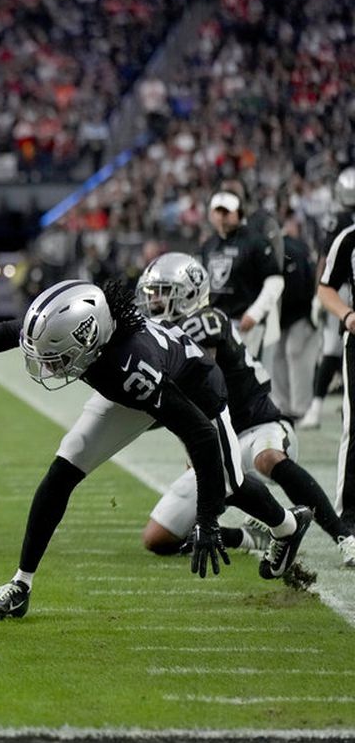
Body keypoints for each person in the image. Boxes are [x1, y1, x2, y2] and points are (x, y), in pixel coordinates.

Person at [0, 279, 310, 620]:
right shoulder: (86, 328)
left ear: (87, 338)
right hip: (133, 386)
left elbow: (199, 432)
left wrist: (207, 520)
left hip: (195, 390)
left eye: (57, 358)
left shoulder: (131, 367)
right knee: (62, 470)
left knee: (228, 483)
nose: (50, 367)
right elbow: (9, 332)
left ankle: (287, 527)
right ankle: (20, 584)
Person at [135, 253, 349, 565]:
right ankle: (248, 537)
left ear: (190, 294)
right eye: (152, 294)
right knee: (158, 538)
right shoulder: (162, 338)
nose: (154, 302)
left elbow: (201, 386)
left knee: (267, 458)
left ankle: (343, 535)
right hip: (216, 446)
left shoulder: (208, 320)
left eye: (163, 293)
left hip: (260, 427)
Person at [299, 168, 355, 428]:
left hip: (341, 289)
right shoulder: (342, 219)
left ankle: (322, 407)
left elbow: (323, 259)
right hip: (342, 290)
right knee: (334, 347)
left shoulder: (340, 217)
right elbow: (327, 260)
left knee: (333, 347)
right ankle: (318, 407)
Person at [201, 190, 283, 361]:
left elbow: (275, 280)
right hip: (215, 325)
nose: (221, 216)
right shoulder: (208, 245)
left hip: (245, 325)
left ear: (239, 213)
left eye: (226, 211)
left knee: (245, 379)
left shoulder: (255, 242)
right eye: (218, 211)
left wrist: (255, 313)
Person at [270, 214, 320, 422]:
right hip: (285, 314)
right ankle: (286, 406)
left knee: (294, 354)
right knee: (279, 355)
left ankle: (299, 407)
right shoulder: (276, 248)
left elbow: (300, 288)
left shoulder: (290, 250)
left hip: (300, 313)